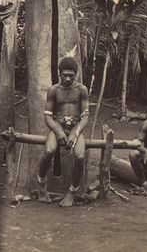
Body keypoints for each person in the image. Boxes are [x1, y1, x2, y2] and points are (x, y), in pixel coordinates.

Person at [38, 56, 89, 207]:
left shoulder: (82, 90)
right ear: (59, 74)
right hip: (57, 127)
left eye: (71, 76)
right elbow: (47, 117)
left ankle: (72, 192)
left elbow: (85, 117)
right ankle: (41, 184)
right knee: (48, 151)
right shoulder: (54, 90)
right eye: (65, 75)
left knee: (80, 157)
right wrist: (58, 131)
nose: (68, 79)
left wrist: (75, 132)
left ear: (76, 75)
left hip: (75, 128)